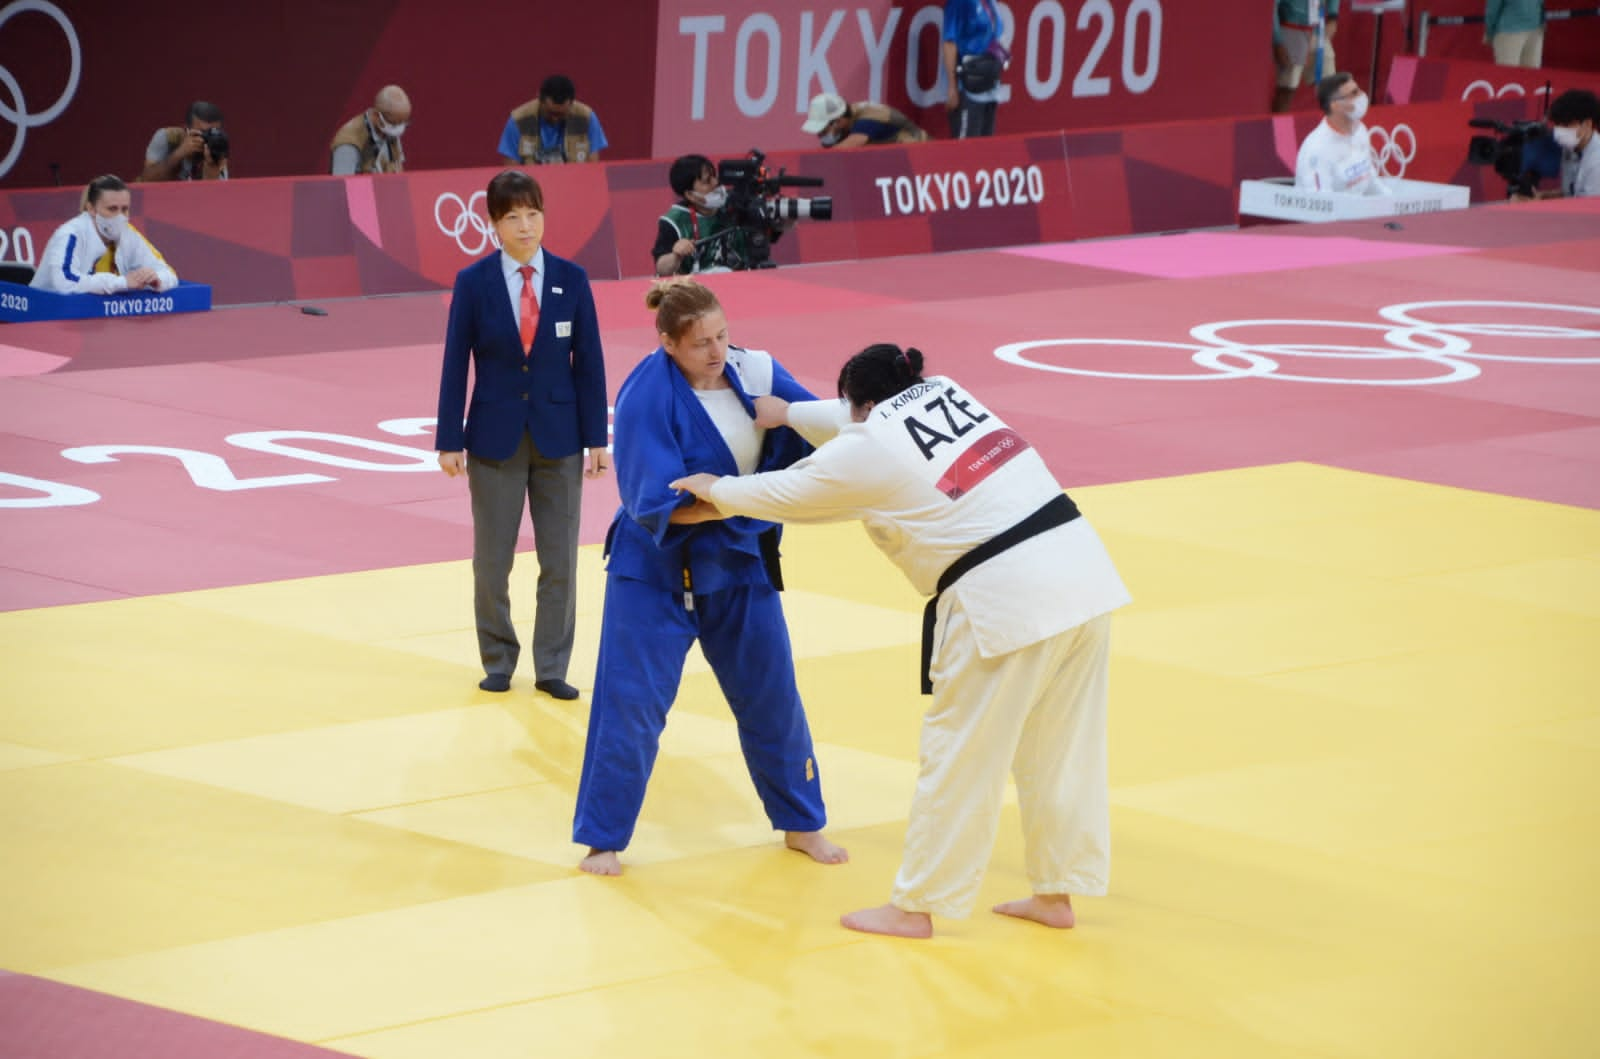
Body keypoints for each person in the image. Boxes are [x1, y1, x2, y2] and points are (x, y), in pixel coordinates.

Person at [670, 344, 1130, 938]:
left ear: (862, 404)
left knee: (958, 754)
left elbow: (786, 492)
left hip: (1005, 597)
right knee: (1060, 750)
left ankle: (916, 907)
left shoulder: (865, 448)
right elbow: (848, 420)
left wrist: (717, 487)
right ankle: (1056, 893)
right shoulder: (947, 390)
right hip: (1083, 575)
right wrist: (786, 415)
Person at [572, 278, 848, 877]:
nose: (717, 351)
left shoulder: (759, 371)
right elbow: (670, 503)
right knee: (631, 706)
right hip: (653, 572)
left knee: (773, 698)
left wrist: (744, 493)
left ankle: (802, 823)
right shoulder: (647, 395)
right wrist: (745, 498)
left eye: (722, 335)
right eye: (700, 343)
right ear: (669, 343)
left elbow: (820, 432)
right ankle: (604, 839)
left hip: (739, 564)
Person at [434, 170, 609, 700]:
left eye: (533, 214)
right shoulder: (473, 283)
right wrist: (448, 438)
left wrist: (596, 438)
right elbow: (454, 363)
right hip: (493, 438)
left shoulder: (572, 280)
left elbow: (591, 364)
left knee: (560, 559)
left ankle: (552, 665)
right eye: (513, 217)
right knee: (492, 560)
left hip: (560, 438)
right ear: (493, 223)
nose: (525, 225)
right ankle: (498, 659)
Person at [31, 174, 178, 295]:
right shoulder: (70, 234)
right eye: (112, 209)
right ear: (91, 209)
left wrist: (156, 279)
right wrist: (123, 282)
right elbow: (65, 282)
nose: (120, 216)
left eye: (125, 209)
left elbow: (169, 274)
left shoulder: (129, 233)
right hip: (45, 317)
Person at [1295, 72, 1390, 195]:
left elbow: (1369, 179)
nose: (1362, 96)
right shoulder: (1317, 149)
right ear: (1335, 105)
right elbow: (1321, 204)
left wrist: (1391, 202)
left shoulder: (1360, 131)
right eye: (1354, 94)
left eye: (1359, 90)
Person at [651, 154, 741, 276]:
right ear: (690, 195)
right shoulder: (674, 221)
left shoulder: (736, 205)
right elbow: (661, 268)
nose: (715, 183)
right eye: (707, 181)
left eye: (714, 176)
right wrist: (676, 255)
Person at [497, 75, 607, 165]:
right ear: (540, 99)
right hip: (532, 186)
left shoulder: (586, 118)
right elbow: (510, 171)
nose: (555, 119)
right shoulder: (519, 120)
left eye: (561, 114)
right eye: (551, 113)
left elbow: (593, 167)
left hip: (575, 183)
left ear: (571, 104)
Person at [942, 0, 1009, 138]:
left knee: (985, 151)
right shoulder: (958, 3)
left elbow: (996, 37)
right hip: (968, 89)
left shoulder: (991, 2)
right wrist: (952, 87)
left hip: (990, 86)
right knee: (965, 153)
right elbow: (949, 44)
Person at [1522, 89, 1600, 199]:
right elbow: (1570, 193)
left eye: (1566, 125)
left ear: (1587, 124)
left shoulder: (1597, 163)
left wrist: (1539, 208)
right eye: (1558, 124)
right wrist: (1543, 196)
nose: (1560, 131)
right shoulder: (1571, 147)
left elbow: (1588, 210)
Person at [1273, 1, 1339, 114]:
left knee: (1331, 87)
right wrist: (1277, 41)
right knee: (1287, 89)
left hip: (1318, 30)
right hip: (1292, 28)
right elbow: (1272, 7)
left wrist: (1333, 16)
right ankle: (1278, 130)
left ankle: (1331, 129)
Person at [330, 85, 411, 175]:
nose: (398, 129)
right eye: (394, 125)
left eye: (402, 123)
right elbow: (342, 186)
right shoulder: (348, 143)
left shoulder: (389, 131)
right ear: (376, 116)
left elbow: (399, 173)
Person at [140, 101, 229, 182]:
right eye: (204, 133)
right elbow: (147, 180)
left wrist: (211, 165)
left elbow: (213, 194)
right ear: (187, 130)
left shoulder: (217, 147)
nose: (210, 139)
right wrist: (179, 153)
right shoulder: (167, 138)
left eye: (215, 133)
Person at [800, 93, 929, 148]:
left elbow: (854, 142)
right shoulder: (846, 120)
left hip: (923, 156)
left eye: (823, 131)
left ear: (838, 121)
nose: (820, 136)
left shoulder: (868, 120)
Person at [1485, 0, 1545, 68]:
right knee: (1508, 74)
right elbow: (1492, 9)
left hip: (1535, 31)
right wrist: (1490, 32)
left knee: (1532, 74)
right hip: (1509, 33)